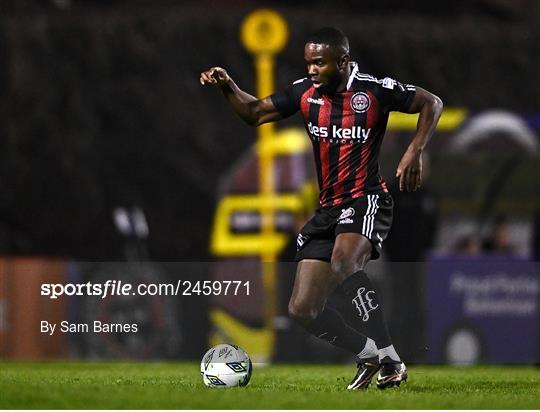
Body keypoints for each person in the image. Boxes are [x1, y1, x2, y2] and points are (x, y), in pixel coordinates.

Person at [200, 27, 443, 390]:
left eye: (319, 63)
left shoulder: (375, 90)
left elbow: (431, 103)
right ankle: (368, 353)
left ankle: (392, 361)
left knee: (345, 262)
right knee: (302, 309)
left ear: (342, 61)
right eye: (308, 62)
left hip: (366, 199)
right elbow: (254, 112)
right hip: (327, 210)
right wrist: (227, 86)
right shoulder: (305, 94)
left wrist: (415, 150)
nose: (312, 70)